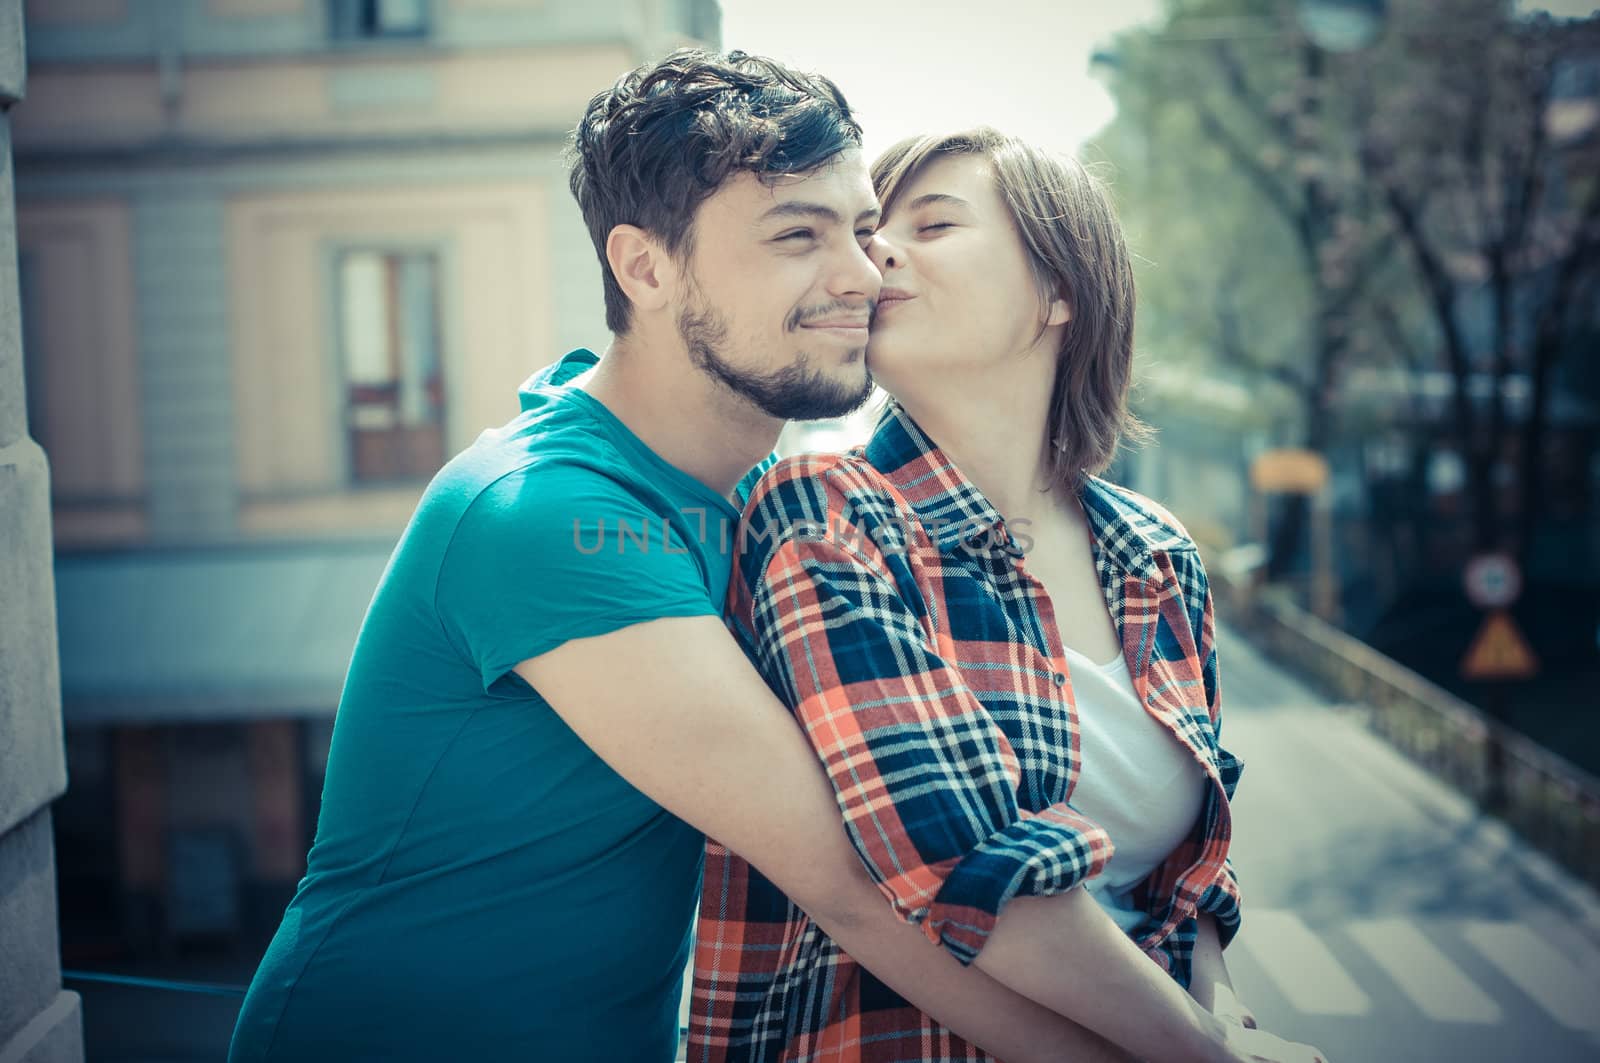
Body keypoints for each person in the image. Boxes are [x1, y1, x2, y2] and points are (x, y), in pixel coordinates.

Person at [228, 52, 1153, 1063]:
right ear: (646, 268)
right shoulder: (547, 512)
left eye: (858, 228)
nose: (859, 273)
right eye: (796, 235)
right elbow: (852, 883)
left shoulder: (754, 497)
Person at [690, 128, 1329, 1063]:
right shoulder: (829, 515)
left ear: (1060, 290)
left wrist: (1222, 1011)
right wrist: (1208, 1050)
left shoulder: (1155, 555)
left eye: (934, 223)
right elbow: (970, 860)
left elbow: (1192, 879)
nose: (876, 255)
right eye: (872, 233)